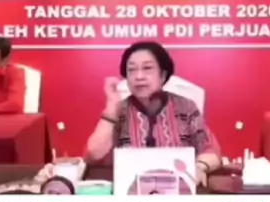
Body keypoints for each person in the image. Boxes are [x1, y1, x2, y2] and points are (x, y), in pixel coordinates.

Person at [84, 41, 222, 187]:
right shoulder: (119, 110)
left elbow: (211, 151)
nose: (139, 76)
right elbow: (93, 156)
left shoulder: (185, 107)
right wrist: (111, 109)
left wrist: (199, 167)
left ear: (163, 75)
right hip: (129, 192)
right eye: (131, 70)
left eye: (147, 68)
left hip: (178, 192)